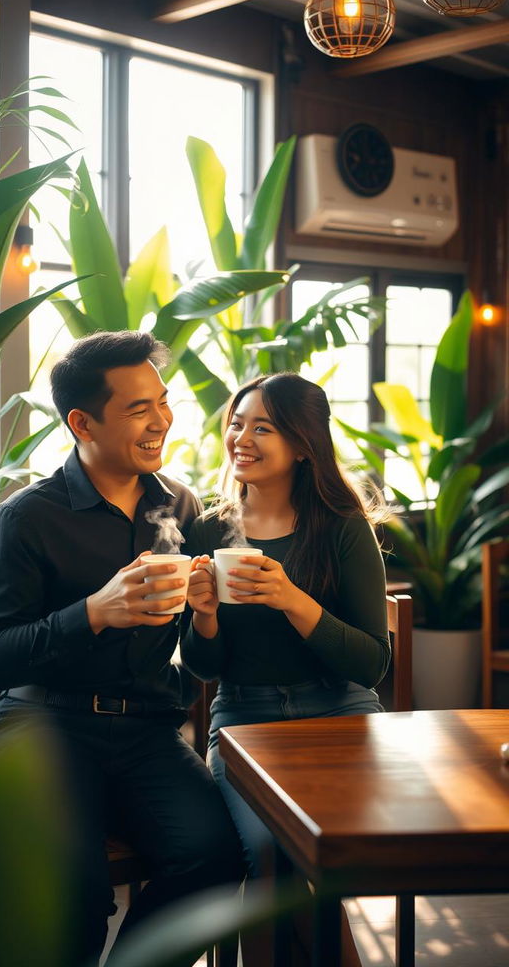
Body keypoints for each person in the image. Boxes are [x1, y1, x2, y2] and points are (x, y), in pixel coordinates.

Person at [0, 331, 242, 967]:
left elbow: (196, 655)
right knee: (74, 898)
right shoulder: (28, 517)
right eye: (138, 409)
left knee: (218, 858)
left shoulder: (178, 502)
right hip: (42, 727)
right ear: (81, 422)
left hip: (146, 730)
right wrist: (94, 612)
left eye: (163, 401)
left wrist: (205, 613)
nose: (161, 421)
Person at [180, 372, 390, 963]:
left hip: (339, 713)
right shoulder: (208, 529)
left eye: (262, 427)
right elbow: (201, 667)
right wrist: (203, 617)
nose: (241, 437)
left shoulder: (342, 527)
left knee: (308, 855)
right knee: (270, 856)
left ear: (302, 445)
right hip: (246, 720)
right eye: (237, 423)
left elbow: (373, 663)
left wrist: (291, 598)